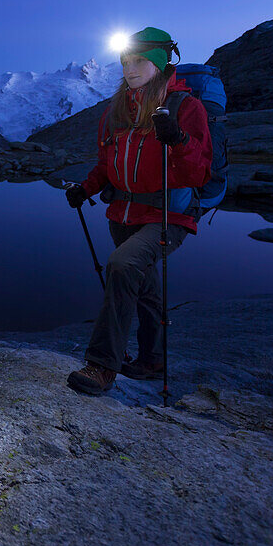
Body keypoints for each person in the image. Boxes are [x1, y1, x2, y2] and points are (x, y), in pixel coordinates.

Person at [64, 27, 213, 396]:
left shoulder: (185, 107)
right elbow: (106, 162)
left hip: (168, 216)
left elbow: (199, 172)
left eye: (139, 61)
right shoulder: (116, 111)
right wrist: (87, 189)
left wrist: (177, 139)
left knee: (122, 266)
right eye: (126, 62)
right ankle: (153, 358)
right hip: (122, 215)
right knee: (144, 288)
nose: (130, 69)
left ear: (160, 64)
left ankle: (102, 365)